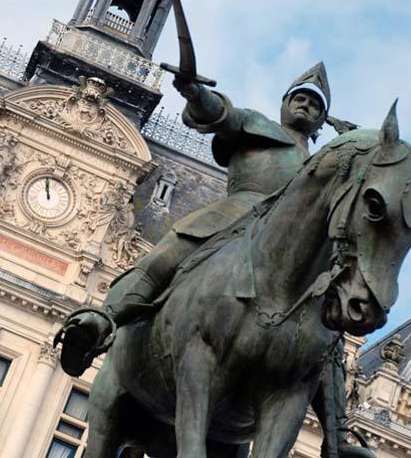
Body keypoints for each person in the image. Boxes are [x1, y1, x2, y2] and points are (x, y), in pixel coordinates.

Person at [58, 61, 331, 376]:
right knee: (163, 259)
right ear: (285, 103)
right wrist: (195, 92)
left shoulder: (321, 167)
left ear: (321, 121)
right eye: (301, 99)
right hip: (235, 214)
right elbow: (220, 113)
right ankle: (101, 320)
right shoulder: (258, 125)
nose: (306, 106)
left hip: (287, 243)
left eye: (314, 105)